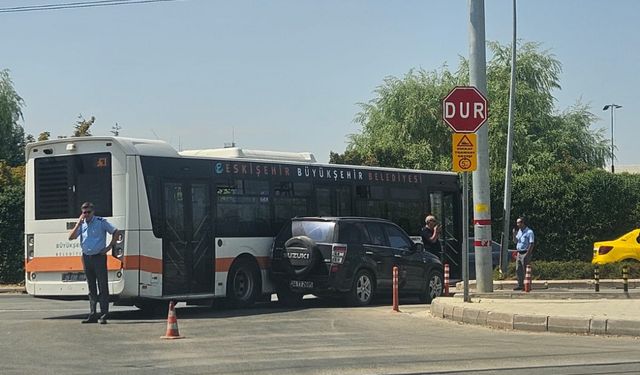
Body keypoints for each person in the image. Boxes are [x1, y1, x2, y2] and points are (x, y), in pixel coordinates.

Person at [68, 202, 119, 324]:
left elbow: (116, 232)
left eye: (88, 212)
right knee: (91, 287)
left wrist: (109, 247)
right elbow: (71, 237)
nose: (86, 215)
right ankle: (92, 314)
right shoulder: (82, 224)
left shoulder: (101, 222)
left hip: (99, 257)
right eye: (84, 212)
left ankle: (104, 314)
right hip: (86, 257)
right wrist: (78, 224)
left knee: (102, 286)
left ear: (93, 212)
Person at [512, 216, 535, 291]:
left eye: (519, 223)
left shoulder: (529, 232)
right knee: (518, 269)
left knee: (526, 270)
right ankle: (520, 285)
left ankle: (527, 285)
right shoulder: (519, 231)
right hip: (519, 252)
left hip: (525, 252)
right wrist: (514, 234)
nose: (517, 224)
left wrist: (528, 254)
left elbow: (531, 244)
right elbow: (515, 241)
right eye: (517, 223)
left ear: (523, 223)